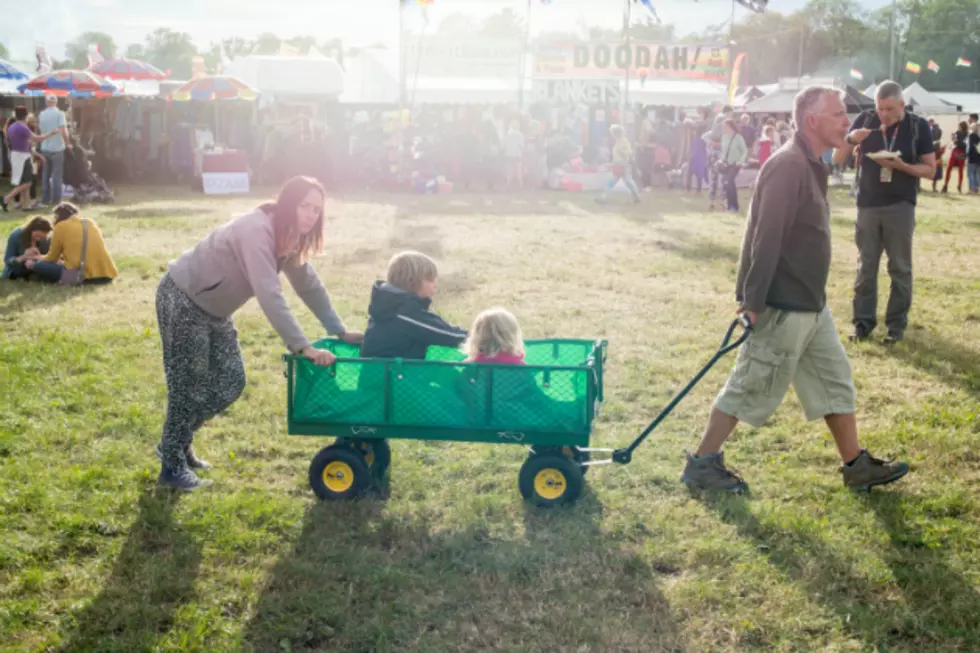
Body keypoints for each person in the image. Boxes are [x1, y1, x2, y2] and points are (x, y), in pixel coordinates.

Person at [681, 85, 910, 494]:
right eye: (839, 114)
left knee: (834, 381)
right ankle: (702, 464)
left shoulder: (810, 162)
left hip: (812, 307)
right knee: (750, 383)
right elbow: (765, 237)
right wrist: (752, 301)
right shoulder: (788, 165)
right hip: (783, 305)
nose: (847, 121)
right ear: (812, 120)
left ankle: (855, 465)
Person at [155, 176, 362, 490]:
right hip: (183, 298)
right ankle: (171, 464)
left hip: (215, 311)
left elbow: (308, 285)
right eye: (305, 206)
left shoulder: (289, 236)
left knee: (230, 382)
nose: (310, 214)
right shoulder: (257, 230)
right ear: (288, 203)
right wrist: (303, 347)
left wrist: (339, 330)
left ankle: (178, 443)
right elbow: (269, 294)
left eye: (317, 210)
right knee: (189, 385)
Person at [833, 80, 936, 344]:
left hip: (900, 204)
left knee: (900, 267)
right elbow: (836, 157)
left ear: (902, 105)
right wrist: (850, 139)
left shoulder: (917, 126)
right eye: (881, 108)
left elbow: (930, 169)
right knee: (865, 266)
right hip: (867, 204)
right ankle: (862, 324)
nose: (884, 115)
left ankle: (895, 326)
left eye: (890, 109)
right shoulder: (865, 119)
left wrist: (901, 166)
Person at [360, 250, 468, 360]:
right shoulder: (406, 314)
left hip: (380, 373)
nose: (435, 284)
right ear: (412, 283)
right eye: (431, 280)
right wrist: (480, 338)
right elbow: (450, 335)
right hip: (394, 374)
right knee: (452, 372)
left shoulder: (388, 306)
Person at [28, 203, 118, 284]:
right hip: (106, 275)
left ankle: (55, 277)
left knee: (39, 266)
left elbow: (52, 258)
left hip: (82, 277)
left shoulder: (60, 226)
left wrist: (38, 259)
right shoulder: (90, 222)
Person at [1, 106, 57, 213]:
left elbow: (12, 141)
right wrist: (51, 134)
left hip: (15, 155)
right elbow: (37, 138)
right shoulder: (23, 127)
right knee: (28, 183)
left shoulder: (11, 127)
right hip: (23, 157)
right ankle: (5, 199)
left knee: (24, 182)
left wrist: (28, 145)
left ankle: (26, 206)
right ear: (26, 116)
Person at [38, 95, 71, 207]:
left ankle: (45, 200)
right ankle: (56, 201)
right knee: (57, 175)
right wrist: (68, 143)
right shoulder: (60, 114)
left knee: (45, 175)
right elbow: (63, 129)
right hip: (57, 147)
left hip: (45, 147)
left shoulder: (42, 114)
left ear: (46, 102)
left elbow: (41, 130)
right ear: (56, 102)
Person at [595, 124, 641, 205]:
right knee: (614, 182)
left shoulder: (624, 141)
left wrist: (622, 152)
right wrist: (612, 163)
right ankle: (604, 198)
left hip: (624, 165)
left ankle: (636, 197)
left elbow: (629, 152)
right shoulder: (617, 142)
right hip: (618, 165)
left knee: (628, 182)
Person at [2, 216, 55, 281]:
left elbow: (50, 256)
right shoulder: (16, 235)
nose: (38, 239)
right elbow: (7, 260)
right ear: (31, 229)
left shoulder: (46, 239)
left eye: (41, 237)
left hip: (36, 267)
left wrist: (39, 257)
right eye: (37, 235)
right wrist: (23, 257)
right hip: (17, 269)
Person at [714, 119, 748, 213]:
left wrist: (740, 162)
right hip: (726, 164)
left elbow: (744, 151)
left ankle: (733, 206)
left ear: (730, 127)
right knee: (729, 184)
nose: (723, 128)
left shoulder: (738, 137)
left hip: (735, 164)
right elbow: (723, 151)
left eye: (725, 126)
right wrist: (720, 160)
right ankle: (732, 206)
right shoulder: (724, 137)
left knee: (729, 182)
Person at [941, 121, 969, 193]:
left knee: (959, 171)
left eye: (959, 126)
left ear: (963, 127)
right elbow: (955, 143)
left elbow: (963, 145)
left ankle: (958, 185)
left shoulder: (966, 135)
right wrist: (954, 140)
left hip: (960, 153)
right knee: (950, 169)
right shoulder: (958, 133)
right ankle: (946, 185)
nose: (958, 128)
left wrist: (956, 141)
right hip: (957, 152)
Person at [503, 120, 525, 190]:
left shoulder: (508, 134)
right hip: (517, 154)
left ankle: (508, 184)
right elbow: (521, 145)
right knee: (518, 170)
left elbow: (504, 144)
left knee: (510, 170)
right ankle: (520, 185)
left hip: (509, 154)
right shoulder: (520, 135)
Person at [968, 122, 980, 194]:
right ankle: (976, 188)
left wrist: (968, 154)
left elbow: (971, 147)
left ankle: (972, 188)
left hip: (972, 156)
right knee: (976, 173)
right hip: (978, 156)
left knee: (971, 173)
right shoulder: (978, 136)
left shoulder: (971, 136)